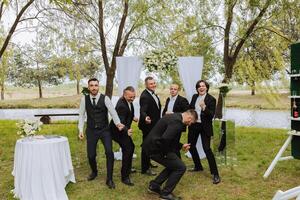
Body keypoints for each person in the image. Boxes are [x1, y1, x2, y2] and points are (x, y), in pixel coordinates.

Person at [78, 78, 124, 189]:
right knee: (91, 155)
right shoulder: (84, 99)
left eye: (96, 85)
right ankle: (94, 171)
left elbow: (113, 112)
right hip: (91, 130)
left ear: (99, 86)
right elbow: (81, 115)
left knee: (109, 153)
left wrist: (118, 123)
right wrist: (80, 130)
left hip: (104, 130)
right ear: (88, 87)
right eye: (92, 85)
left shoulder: (105, 98)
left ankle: (109, 179)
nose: (94, 87)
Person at [143, 109, 197, 200]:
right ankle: (165, 193)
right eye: (191, 122)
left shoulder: (175, 116)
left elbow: (170, 138)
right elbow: (165, 139)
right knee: (181, 167)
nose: (190, 124)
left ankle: (154, 186)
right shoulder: (177, 123)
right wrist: (165, 154)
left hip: (151, 146)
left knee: (173, 165)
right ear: (189, 118)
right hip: (156, 148)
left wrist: (181, 145)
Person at [188, 80, 221, 184]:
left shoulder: (211, 99)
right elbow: (190, 109)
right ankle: (198, 166)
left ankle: (215, 174)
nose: (201, 88)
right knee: (191, 146)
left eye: (203, 86)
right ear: (197, 88)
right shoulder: (194, 97)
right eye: (199, 86)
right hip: (194, 125)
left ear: (207, 87)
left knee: (207, 149)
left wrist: (204, 107)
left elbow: (211, 115)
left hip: (205, 127)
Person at [110, 86, 136, 186]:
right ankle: (125, 177)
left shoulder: (127, 102)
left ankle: (128, 169)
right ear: (124, 95)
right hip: (118, 131)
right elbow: (119, 122)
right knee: (128, 149)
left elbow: (127, 113)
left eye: (134, 96)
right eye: (130, 97)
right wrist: (126, 130)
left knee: (131, 147)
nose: (132, 99)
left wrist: (133, 118)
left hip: (124, 130)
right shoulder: (121, 105)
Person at [138, 76, 161, 176]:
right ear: (146, 85)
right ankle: (145, 169)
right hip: (148, 125)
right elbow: (143, 110)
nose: (153, 85)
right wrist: (145, 117)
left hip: (154, 124)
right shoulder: (145, 96)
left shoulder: (151, 93)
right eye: (151, 84)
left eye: (154, 83)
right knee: (146, 146)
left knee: (150, 145)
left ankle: (148, 163)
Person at [162, 83, 189, 158]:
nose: (173, 91)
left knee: (174, 143)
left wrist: (173, 113)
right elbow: (164, 111)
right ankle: (172, 160)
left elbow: (186, 113)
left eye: (175, 89)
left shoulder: (183, 100)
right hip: (168, 125)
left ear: (178, 90)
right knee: (170, 143)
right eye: (171, 89)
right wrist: (164, 115)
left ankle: (178, 163)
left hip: (177, 125)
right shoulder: (168, 99)